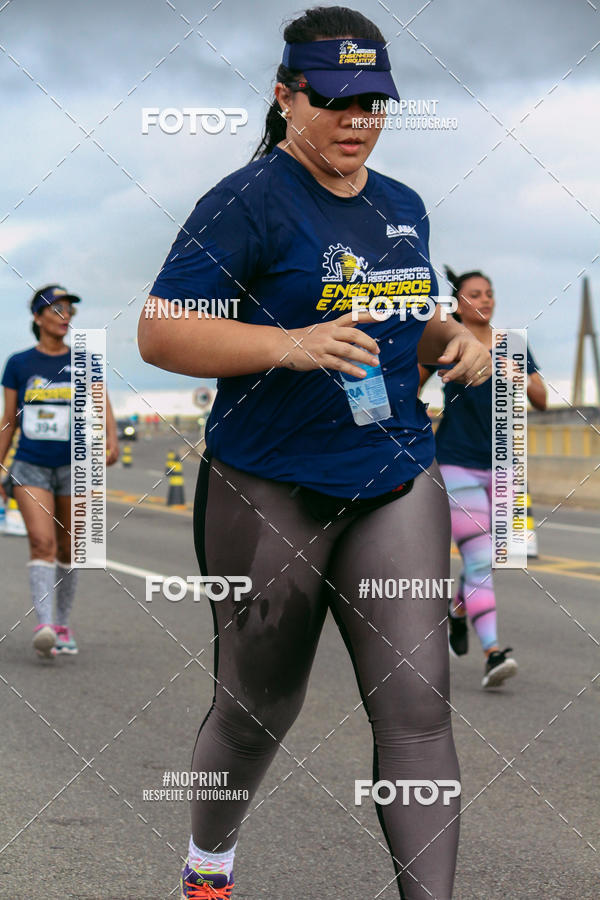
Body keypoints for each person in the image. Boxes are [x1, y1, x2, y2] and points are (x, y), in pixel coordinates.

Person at [139, 7, 491, 898]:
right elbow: (160, 331)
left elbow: (402, 320)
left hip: (390, 475)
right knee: (259, 710)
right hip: (269, 484)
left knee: (418, 714)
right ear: (286, 96)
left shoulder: (402, 205)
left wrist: (452, 336)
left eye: (374, 101)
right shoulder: (247, 199)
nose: (356, 120)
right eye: (334, 101)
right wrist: (290, 343)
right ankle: (208, 869)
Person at [419, 267, 547, 689]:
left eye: (490, 292)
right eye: (476, 293)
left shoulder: (513, 343)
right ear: (458, 302)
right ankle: (493, 653)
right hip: (456, 460)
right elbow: (412, 386)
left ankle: (457, 609)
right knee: (477, 558)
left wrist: (519, 378)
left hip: (507, 463)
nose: (487, 299)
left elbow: (542, 399)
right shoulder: (448, 340)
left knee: (497, 556)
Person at [0, 285, 119, 658]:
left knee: (70, 548)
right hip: (30, 465)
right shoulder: (19, 364)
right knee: (42, 543)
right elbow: (9, 420)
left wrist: (111, 439)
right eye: (56, 308)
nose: (64, 315)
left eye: (69, 308)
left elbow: (102, 403)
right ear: (38, 318)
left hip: (76, 466)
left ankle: (63, 623)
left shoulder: (84, 360)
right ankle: (45, 625)